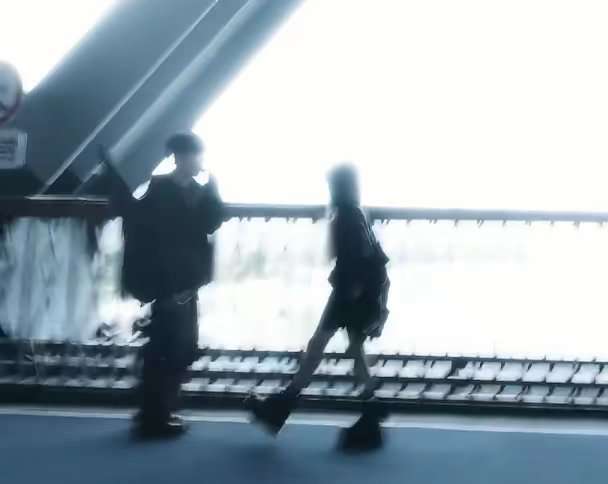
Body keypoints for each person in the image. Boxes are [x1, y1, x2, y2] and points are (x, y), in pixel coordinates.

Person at [247, 163, 390, 450]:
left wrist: (349, 295)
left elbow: (355, 260)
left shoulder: (345, 217)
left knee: (320, 345)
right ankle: (370, 410)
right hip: (359, 293)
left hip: (348, 294)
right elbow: (375, 260)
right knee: (352, 350)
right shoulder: (358, 214)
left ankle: (282, 406)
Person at [101, 133, 224, 437]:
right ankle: (157, 416)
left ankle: (157, 413)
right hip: (171, 280)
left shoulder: (176, 189)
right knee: (170, 348)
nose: (199, 161)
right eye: (195, 155)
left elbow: (210, 220)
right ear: (180, 158)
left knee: (173, 348)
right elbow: (197, 225)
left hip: (182, 281)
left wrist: (213, 188)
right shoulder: (165, 190)